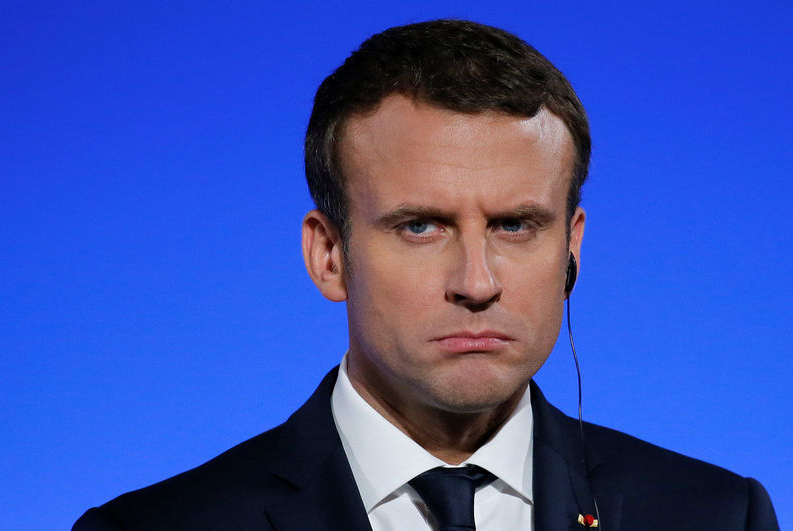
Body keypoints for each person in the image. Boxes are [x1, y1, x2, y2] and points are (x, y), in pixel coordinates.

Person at [73, 19, 779, 531]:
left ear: (572, 246)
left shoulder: (715, 514)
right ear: (328, 255)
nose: (477, 281)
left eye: (514, 225)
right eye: (421, 226)